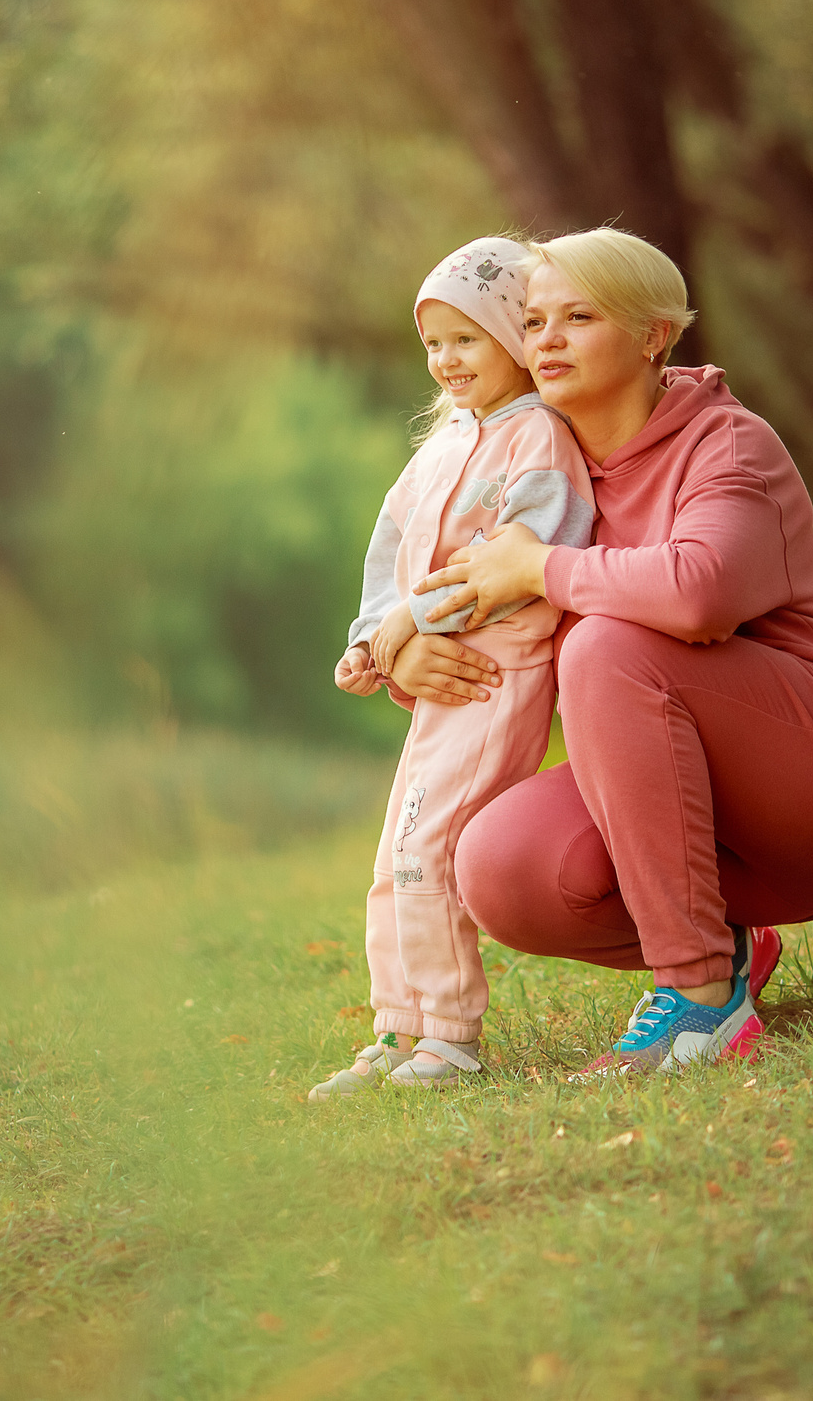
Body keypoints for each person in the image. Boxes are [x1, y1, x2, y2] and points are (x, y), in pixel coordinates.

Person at [395, 228, 813, 1077]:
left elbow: (699, 594)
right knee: (495, 865)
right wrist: (407, 656)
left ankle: (698, 997)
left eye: (578, 317)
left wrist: (541, 565)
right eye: (534, 322)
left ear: (653, 335)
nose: (548, 341)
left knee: (609, 646)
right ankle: (726, 946)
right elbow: (480, 603)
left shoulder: (726, 445)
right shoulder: (546, 469)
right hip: (703, 802)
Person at [313, 238, 595, 1099]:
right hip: (439, 677)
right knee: (395, 849)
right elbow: (388, 555)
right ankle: (397, 1025)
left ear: (516, 335)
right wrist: (373, 638)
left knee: (429, 845)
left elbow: (521, 559)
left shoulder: (539, 439)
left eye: (466, 339)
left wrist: (409, 623)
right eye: (433, 343)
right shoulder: (436, 451)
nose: (445, 359)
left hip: (493, 675)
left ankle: (450, 1035)